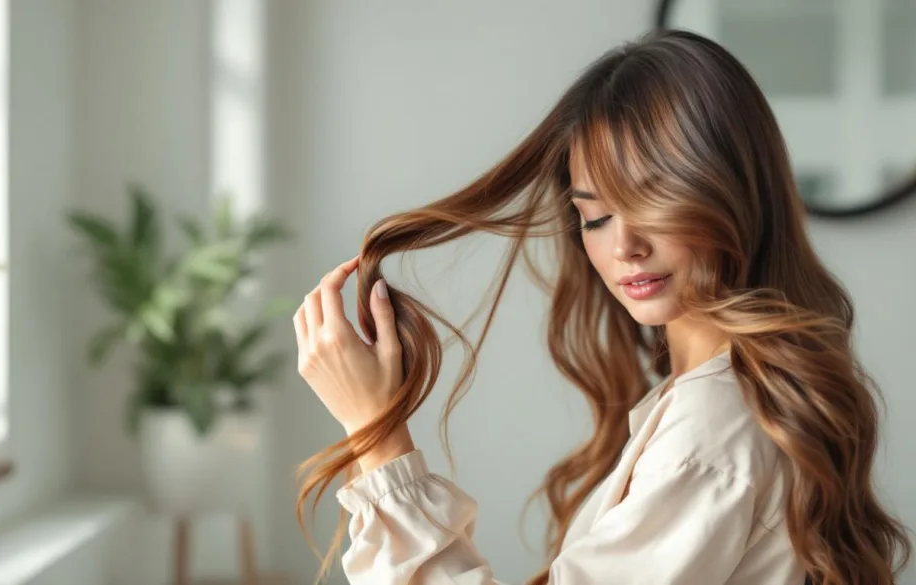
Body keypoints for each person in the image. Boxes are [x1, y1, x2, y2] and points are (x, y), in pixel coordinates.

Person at [291, 28, 912, 584]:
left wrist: (378, 436)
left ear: (731, 193)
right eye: (595, 216)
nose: (626, 247)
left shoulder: (710, 431)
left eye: (653, 201)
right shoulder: (706, 404)